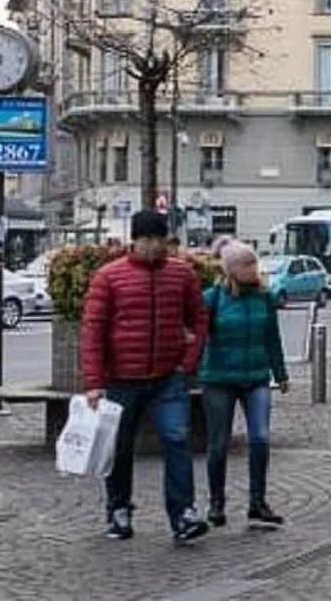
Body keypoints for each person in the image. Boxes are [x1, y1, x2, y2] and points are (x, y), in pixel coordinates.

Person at [80, 209, 213, 543]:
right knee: (120, 447)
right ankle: (119, 509)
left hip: (168, 376)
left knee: (177, 440)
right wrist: (94, 382)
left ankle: (183, 513)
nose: (156, 247)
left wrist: (187, 362)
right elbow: (92, 331)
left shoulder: (181, 275)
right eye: (149, 240)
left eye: (161, 240)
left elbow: (199, 319)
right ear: (135, 240)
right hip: (122, 378)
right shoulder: (109, 277)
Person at [197, 240, 289, 528]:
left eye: (254, 263)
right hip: (219, 378)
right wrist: (192, 367)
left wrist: (280, 372)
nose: (253, 268)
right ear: (231, 270)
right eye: (246, 264)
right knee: (218, 442)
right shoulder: (213, 298)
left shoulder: (264, 297)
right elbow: (198, 335)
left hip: (256, 377)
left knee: (260, 438)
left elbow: (272, 337)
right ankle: (216, 503)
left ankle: (257, 501)